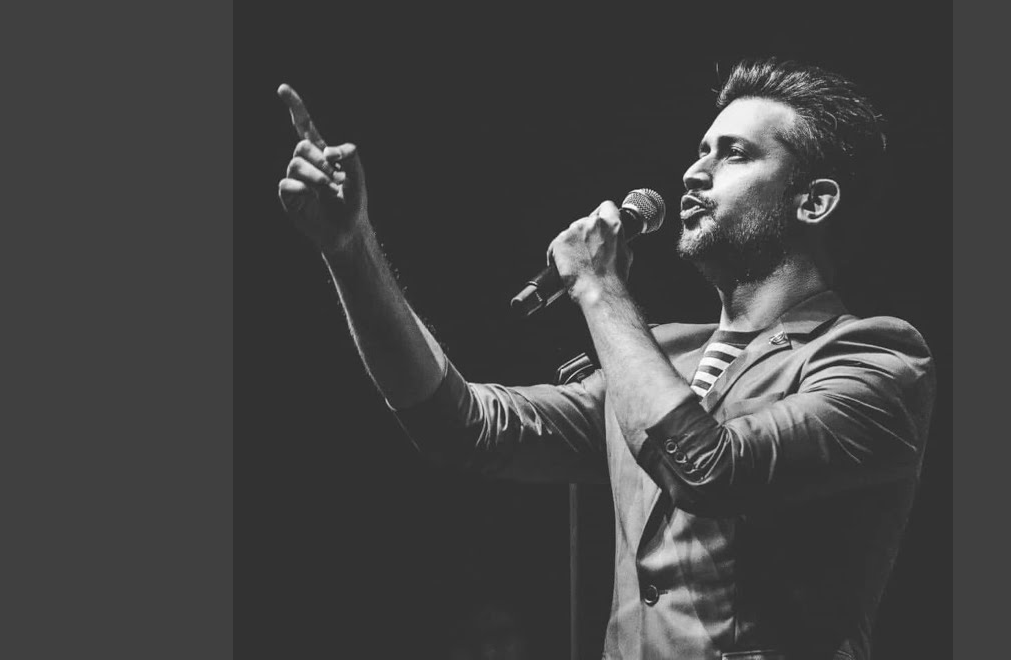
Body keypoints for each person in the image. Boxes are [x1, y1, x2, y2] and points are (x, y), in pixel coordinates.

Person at [276, 58, 936, 660]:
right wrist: (350, 248)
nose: (694, 172)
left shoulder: (876, 358)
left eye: (734, 153)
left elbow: (712, 471)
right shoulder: (660, 356)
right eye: (701, 151)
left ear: (813, 201)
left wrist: (598, 288)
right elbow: (460, 426)